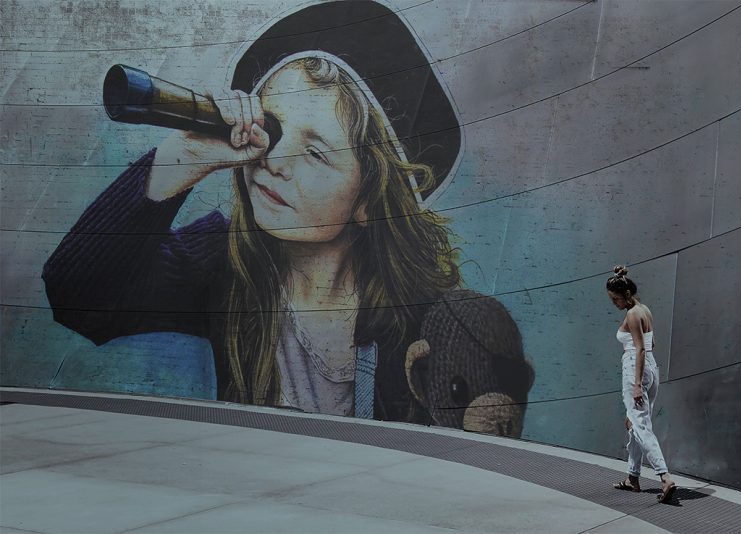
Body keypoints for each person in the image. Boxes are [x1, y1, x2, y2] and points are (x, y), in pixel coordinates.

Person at [42, 1, 465, 423]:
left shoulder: (427, 314)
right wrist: (189, 153)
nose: (273, 161)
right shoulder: (223, 261)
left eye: (316, 154)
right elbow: (77, 298)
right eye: (271, 129)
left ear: (369, 199)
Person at [607, 265, 677, 503]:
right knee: (634, 423)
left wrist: (636, 384)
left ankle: (664, 476)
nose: (614, 303)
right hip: (651, 369)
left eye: (615, 299)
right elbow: (651, 344)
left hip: (635, 370)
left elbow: (639, 349)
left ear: (625, 295)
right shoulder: (644, 309)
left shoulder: (632, 315)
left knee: (641, 425)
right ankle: (633, 477)